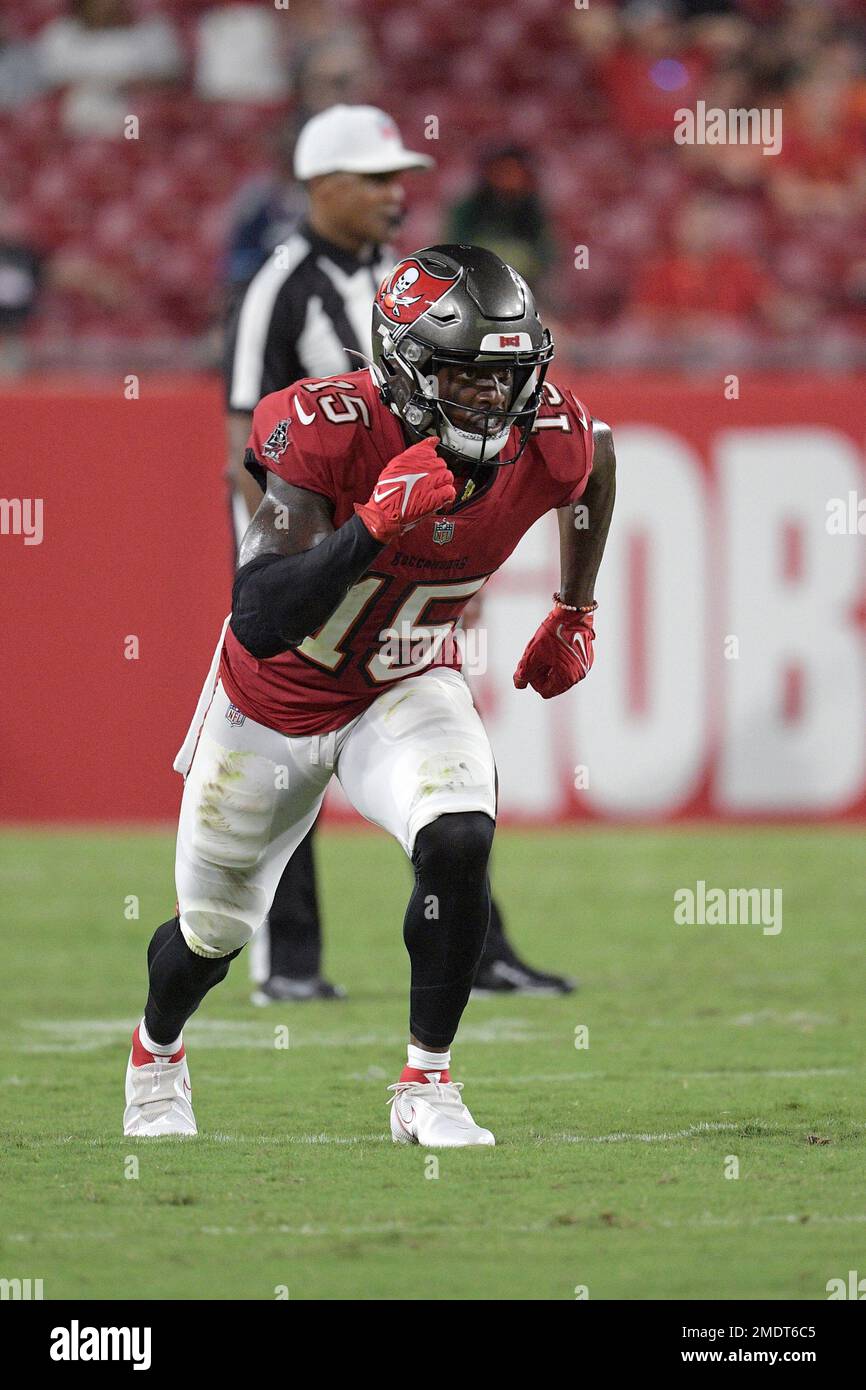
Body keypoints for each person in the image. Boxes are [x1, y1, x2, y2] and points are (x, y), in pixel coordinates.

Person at [123, 243, 615, 1146]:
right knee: (213, 931)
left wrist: (574, 606)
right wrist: (374, 526)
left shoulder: (547, 432)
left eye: (507, 377)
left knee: (459, 829)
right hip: (272, 701)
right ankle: (157, 1053)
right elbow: (260, 613)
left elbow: (597, 463)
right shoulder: (331, 427)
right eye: (466, 379)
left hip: (402, 677)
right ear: (405, 368)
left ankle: (426, 1085)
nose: (493, 400)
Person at [226, 107, 576, 1003]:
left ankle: (481, 946)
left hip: (419, 535)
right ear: (322, 184)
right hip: (324, 541)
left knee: (443, 750)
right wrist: (294, 555)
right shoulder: (282, 283)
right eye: (376, 178)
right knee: (289, 731)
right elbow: (246, 436)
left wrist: (454, 548)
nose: (397, 194)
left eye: (400, 177)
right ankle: (291, 963)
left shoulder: (407, 279)